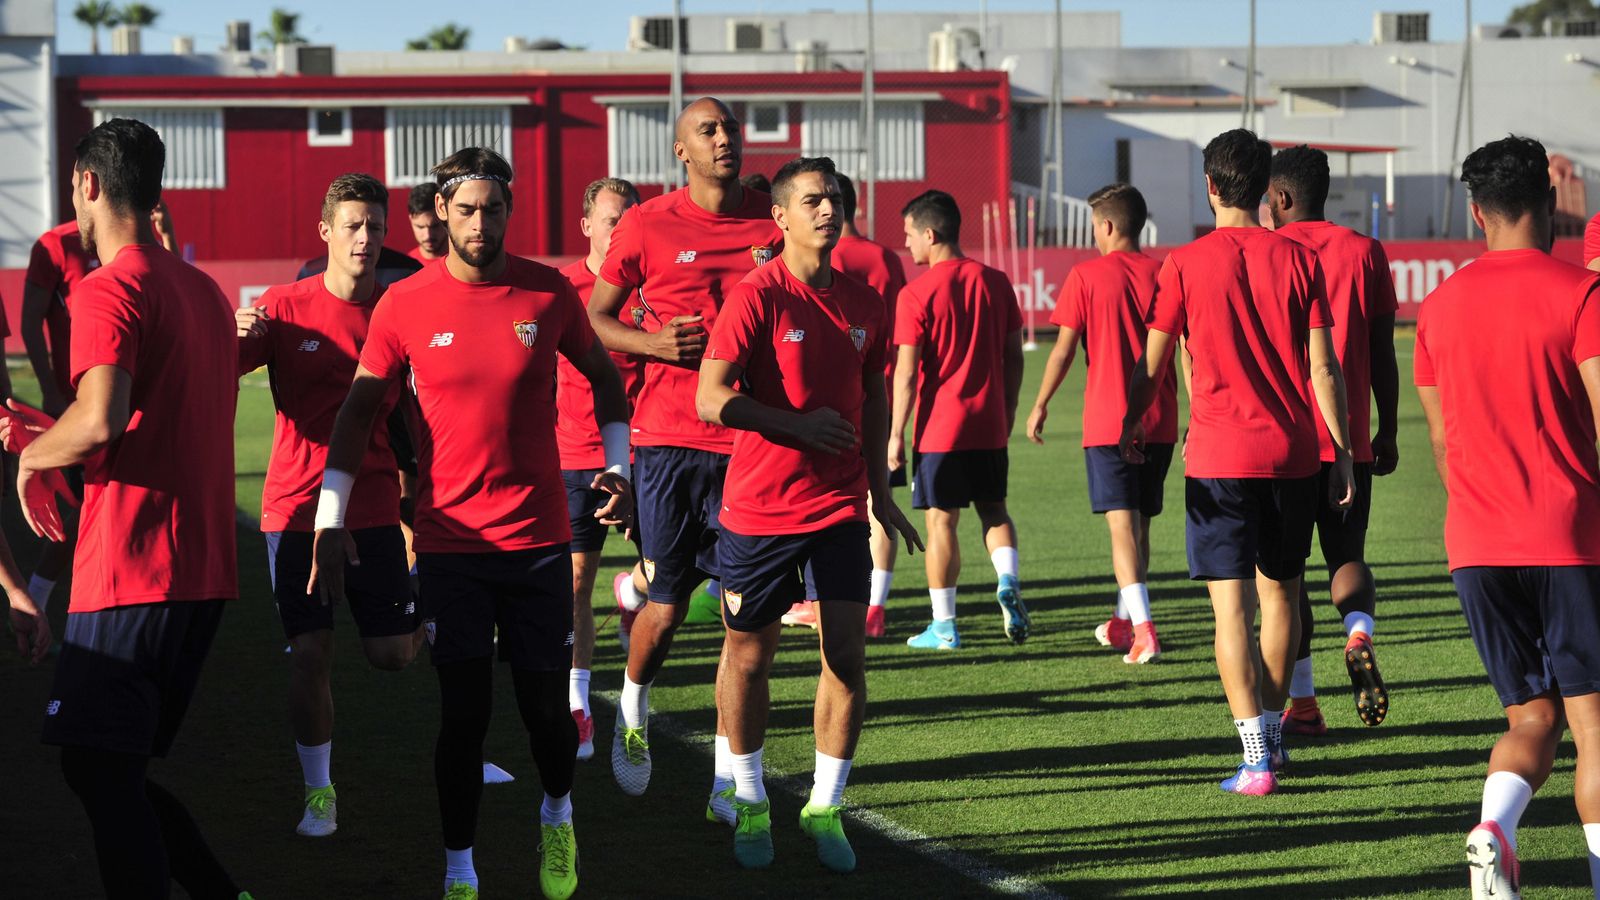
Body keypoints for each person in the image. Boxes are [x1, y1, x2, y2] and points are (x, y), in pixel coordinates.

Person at [314, 147, 629, 900]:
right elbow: (358, 414)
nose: (480, 223)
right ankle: (460, 868)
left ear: (508, 211)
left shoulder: (547, 292)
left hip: (539, 542)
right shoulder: (404, 304)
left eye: (492, 209)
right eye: (466, 210)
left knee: (545, 711)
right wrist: (330, 517)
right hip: (451, 544)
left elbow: (606, 381)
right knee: (464, 715)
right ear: (441, 214)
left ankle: (558, 815)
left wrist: (618, 466)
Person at [19, 117, 248, 899]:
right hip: (203, 570)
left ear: (88, 184)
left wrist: (32, 456)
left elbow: (99, 421)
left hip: (136, 568)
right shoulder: (205, 290)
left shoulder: (107, 287)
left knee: (98, 769)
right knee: (111, 769)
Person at [698, 156, 921, 871]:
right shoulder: (756, 296)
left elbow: (873, 393)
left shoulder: (867, 302)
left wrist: (880, 489)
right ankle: (751, 799)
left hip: (838, 507)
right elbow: (711, 397)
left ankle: (825, 807)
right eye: (813, 200)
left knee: (846, 656)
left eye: (836, 199)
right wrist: (794, 426)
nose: (829, 209)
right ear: (781, 217)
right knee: (749, 656)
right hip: (760, 509)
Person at [1120, 128, 1354, 796]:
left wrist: (1132, 423)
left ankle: (1255, 758)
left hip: (1219, 458)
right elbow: (1323, 368)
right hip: (1292, 454)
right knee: (1282, 598)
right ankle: (1274, 739)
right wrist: (1340, 452)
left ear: (1211, 186)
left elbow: (1152, 364)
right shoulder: (1301, 259)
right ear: (1265, 188)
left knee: (1232, 613)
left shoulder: (1184, 264)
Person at [1414, 135, 1600, 900]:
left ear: (1475, 212)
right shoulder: (1582, 295)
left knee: (1531, 720)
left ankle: (1495, 826)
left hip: (1476, 545)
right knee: (1594, 729)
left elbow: (1440, 440)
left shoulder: (1437, 308)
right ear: (1550, 204)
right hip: (1568, 538)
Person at [586, 96, 779, 817]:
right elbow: (595, 319)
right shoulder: (647, 223)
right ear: (681, 151)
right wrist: (655, 344)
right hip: (668, 441)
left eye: (730, 126)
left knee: (742, 621)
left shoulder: (772, 222)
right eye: (708, 129)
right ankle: (632, 708)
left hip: (749, 446)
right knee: (665, 607)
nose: (724, 137)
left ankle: (728, 777)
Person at [236, 172, 422, 837]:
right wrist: (229, 330)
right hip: (293, 508)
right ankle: (320, 793)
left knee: (391, 655)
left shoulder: (402, 310)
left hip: (372, 506)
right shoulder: (284, 307)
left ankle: (425, 589)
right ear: (326, 232)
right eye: (352, 225)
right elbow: (218, 365)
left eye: (375, 226)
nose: (365, 237)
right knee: (311, 652)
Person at [1267, 145, 1400, 733]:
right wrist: (1386, 428)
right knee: (1347, 557)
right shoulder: (1365, 252)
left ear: (1281, 197)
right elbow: (1382, 350)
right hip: (1350, 441)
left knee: (1285, 577)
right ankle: (1358, 632)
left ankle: (1304, 706)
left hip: (1285, 441)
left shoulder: (1270, 253)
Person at [1026, 182, 1175, 664]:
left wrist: (1040, 403)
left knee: (1121, 528)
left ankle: (1145, 630)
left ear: (1107, 226)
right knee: (1140, 528)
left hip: (1110, 420)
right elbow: (1187, 347)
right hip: (1161, 419)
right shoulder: (1165, 273)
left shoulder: (1086, 275)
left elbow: (1063, 350)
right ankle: (1124, 622)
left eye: (1094, 226)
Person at [891, 189, 1028, 650]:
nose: (906, 243)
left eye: (909, 234)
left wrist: (894, 433)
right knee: (995, 511)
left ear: (930, 234)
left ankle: (945, 626)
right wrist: (1008, 408)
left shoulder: (915, 294)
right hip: (989, 425)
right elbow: (1014, 356)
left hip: (940, 431)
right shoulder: (997, 282)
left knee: (941, 523)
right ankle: (1007, 579)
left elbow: (906, 374)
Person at [778, 172, 908, 638]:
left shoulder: (818, 257)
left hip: (823, 396)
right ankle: (875, 605)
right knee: (877, 499)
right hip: (877, 394)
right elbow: (898, 324)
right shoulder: (883, 257)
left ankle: (810, 597)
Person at [556, 176, 644, 761]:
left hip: (644, 455)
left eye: (632, 220)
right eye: (614, 221)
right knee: (575, 583)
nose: (623, 231)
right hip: (573, 456)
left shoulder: (653, 286)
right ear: (587, 225)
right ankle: (578, 704)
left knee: (668, 574)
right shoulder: (562, 289)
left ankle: (631, 592)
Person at [409, 182, 449, 263]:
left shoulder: (465, 262)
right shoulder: (407, 265)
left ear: (446, 217)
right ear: (411, 220)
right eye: (420, 227)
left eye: (435, 226)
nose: (428, 235)